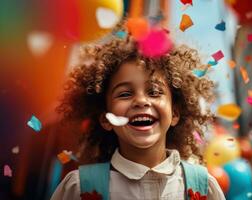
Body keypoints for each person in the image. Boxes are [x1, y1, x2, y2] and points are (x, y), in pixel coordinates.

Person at [50, 25, 226, 200]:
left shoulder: (204, 188)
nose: (141, 101)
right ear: (106, 119)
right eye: (125, 94)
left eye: (154, 92)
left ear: (175, 113)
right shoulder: (78, 188)